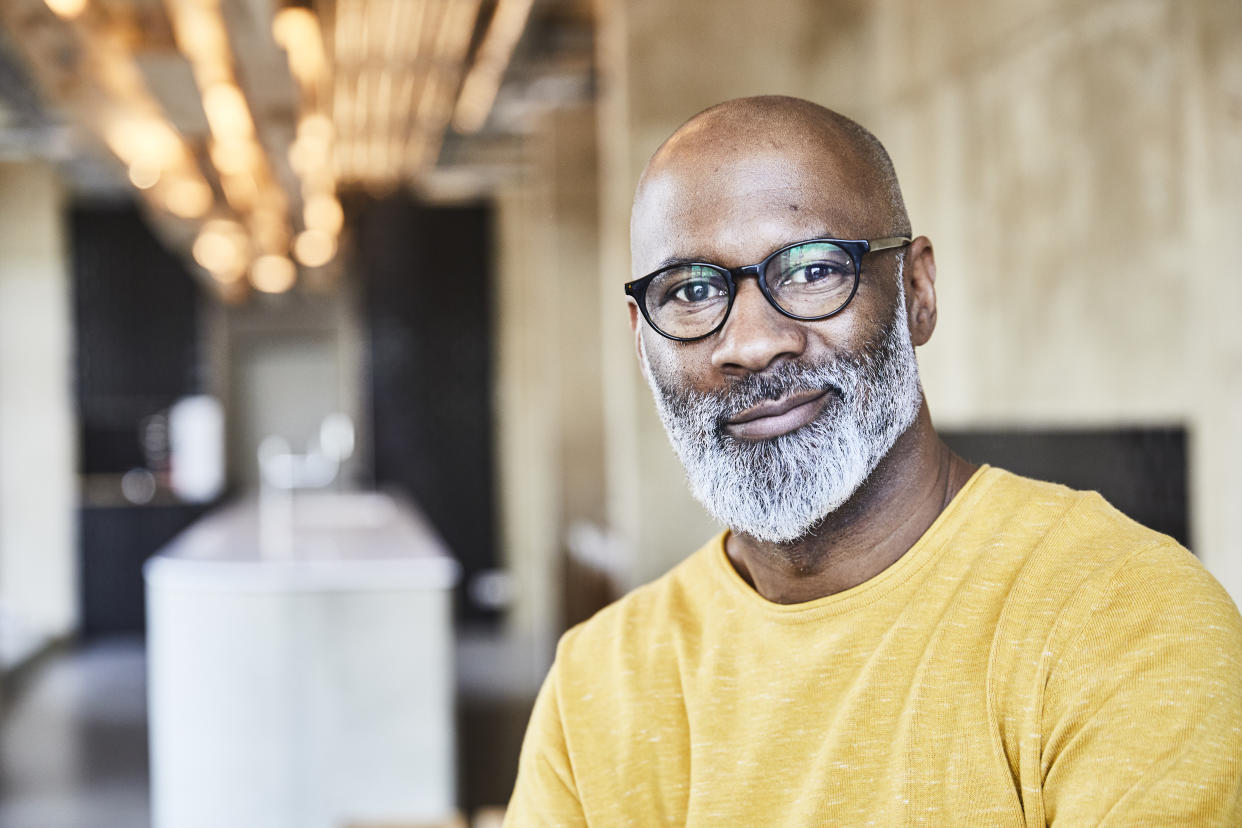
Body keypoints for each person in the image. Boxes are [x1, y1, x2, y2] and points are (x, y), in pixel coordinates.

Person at [504, 95, 1242, 825]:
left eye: (812, 271)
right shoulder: (598, 684)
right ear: (643, 343)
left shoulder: (1123, 616)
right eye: (693, 290)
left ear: (916, 290)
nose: (754, 343)